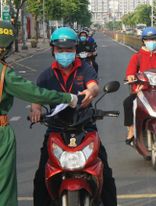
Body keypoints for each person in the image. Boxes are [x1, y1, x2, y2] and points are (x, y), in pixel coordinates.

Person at [30, 27, 117, 206]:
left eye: (69, 49)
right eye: (60, 50)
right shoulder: (46, 76)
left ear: (75, 50)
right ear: (53, 50)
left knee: (106, 176)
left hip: (85, 128)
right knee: (40, 178)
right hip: (56, 129)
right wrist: (36, 110)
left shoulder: (85, 69)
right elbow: (36, 97)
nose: (64, 53)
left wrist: (90, 92)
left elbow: (94, 86)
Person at [0, 22, 78, 206]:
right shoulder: (5, 73)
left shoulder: (86, 68)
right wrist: (67, 98)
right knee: (3, 186)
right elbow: (35, 93)